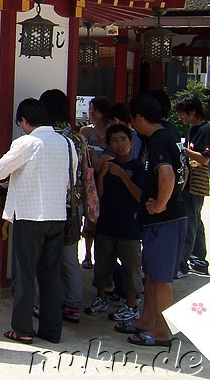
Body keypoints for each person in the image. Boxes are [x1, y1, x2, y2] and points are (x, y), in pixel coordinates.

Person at [0, 98, 75, 345]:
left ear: (24, 121)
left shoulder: (27, 142)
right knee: (50, 276)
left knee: (25, 275)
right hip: (57, 216)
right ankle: (51, 330)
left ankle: (22, 328)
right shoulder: (67, 143)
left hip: (29, 216)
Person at [121, 95, 187, 347]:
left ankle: (162, 331)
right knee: (151, 275)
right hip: (164, 219)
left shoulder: (159, 141)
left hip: (165, 221)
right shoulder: (168, 135)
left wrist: (161, 203)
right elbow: (184, 173)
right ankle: (147, 319)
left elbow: (168, 175)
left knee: (160, 280)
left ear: (138, 118)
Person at [84, 124, 145, 322]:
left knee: (131, 267)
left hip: (130, 226)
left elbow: (140, 197)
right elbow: (99, 197)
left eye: (123, 139)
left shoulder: (138, 168)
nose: (119, 144)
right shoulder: (106, 167)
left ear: (131, 142)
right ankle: (100, 298)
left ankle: (131, 304)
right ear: (109, 144)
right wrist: (101, 175)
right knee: (102, 263)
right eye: (115, 140)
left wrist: (123, 176)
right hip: (107, 224)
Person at [39, 88, 86, 325]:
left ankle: (43, 303)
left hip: (47, 205)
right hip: (72, 206)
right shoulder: (77, 139)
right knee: (70, 258)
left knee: (43, 258)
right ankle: (73, 304)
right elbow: (84, 174)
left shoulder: (41, 138)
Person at [174, 94, 210, 277]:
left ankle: (182, 264)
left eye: (182, 113)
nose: (181, 117)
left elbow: (204, 159)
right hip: (188, 181)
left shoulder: (206, 130)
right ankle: (199, 260)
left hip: (196, 183)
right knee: (195, 220)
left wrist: (184, 150)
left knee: (190, 222)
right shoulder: (191, 129)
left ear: (192, 111)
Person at [79, 96, 113, 270]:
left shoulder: (113, 132)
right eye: (90, 109)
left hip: (108, 180)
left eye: (95, 109)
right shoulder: (85, 131)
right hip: (90, 180)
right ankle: (87, 254)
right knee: (90, 219)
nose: (91, 113)